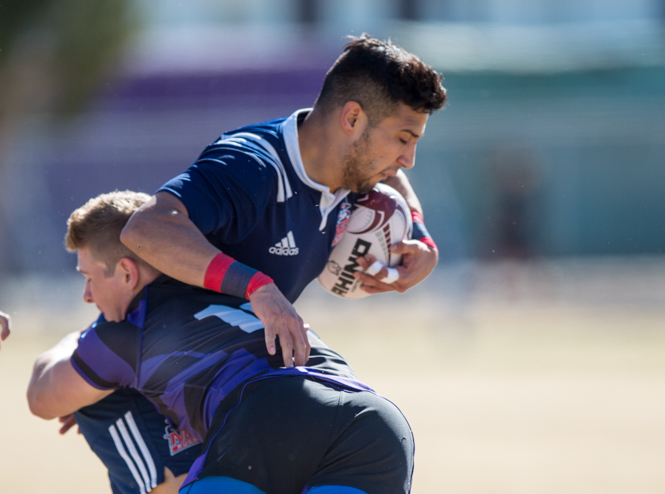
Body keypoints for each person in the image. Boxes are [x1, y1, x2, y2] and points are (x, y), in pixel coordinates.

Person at [28, 191, 413, 494]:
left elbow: (42, 398)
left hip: (268, 416)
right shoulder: (233, 273)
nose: (87, 295)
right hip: (375, 420)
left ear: (127, 272)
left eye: (90, 278)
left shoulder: (124, 332)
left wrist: (75, 340)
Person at [121, 34, 447, 368]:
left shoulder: (353, 168)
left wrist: (420, 238)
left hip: (238, 359)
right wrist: (256, 286)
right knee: (361, 413)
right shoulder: (252, 166)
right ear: (352, 119)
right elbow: (146, 229)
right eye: (403, 139)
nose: (408, 159)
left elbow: (393, 177)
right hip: (158, 360)